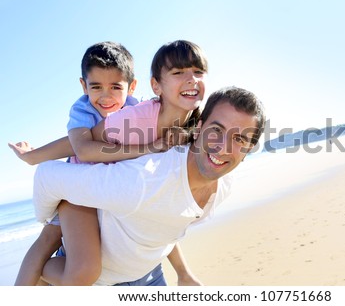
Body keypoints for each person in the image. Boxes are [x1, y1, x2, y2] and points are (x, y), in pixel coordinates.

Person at [10, 40, 206, 285]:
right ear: (84, 86)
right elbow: (81, 148)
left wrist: (183, 272)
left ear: (132, 87)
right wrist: (32, 156)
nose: (106, 96)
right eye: (96, 87)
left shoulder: (137, 111)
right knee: (50, 240)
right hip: (76, 187)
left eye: (115, 87)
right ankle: (34, 277)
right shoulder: (83, 111)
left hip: (107, 187)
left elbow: (160, 213)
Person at [33, 86, 266, 286]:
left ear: (247, 150)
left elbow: (166, 220)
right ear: (199, 128)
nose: (223, 147)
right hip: (101, 283)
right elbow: (47, 176)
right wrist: (51, 222)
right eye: (217, 130)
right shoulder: (143, 179)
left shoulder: (224, 184)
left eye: (239, 139)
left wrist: (183, 273)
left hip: (150, 274)